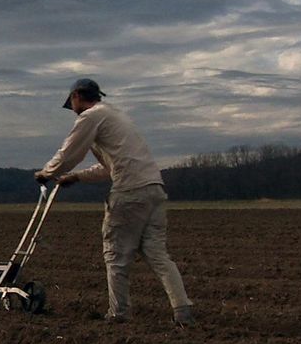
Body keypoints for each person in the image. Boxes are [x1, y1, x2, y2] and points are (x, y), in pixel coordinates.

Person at [34, 78, 195, 326]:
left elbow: (70, 151)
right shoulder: (114, 115)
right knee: (157, 254)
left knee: (115, 254)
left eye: (72, 102)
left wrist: (48, 172)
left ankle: (118, 314)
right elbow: (111, 166)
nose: (72, 108)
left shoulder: (90, 116)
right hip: (154, 188)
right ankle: (182, 310)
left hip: (130, 191)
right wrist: (76, 177)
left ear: (77, 96)